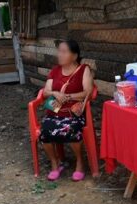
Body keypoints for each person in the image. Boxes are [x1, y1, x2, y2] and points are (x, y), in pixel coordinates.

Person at [40, 39, 93, 182]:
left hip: (73, 113)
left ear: (74, 56)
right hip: (55, 111)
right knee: (45, 131)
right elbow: (45, 92)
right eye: (59, 51)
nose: (60, 55)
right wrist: (56, 94)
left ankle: (80, 162)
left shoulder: (83, 69)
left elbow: (88, 91)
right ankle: (55, 163)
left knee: (72, 129)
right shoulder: (55, 70)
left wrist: (69, 96)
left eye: (64, 52)